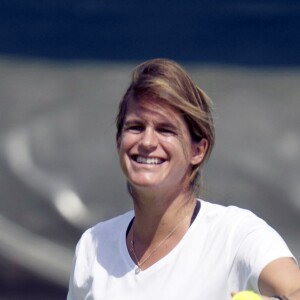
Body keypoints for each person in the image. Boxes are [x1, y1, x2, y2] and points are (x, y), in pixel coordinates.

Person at [67, 58, 300, 300]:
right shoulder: (92, 246)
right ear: (119, 141)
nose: (147, 142)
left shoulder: (236, 235)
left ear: (197, 151)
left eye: (165, 130)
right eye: (135, 127)